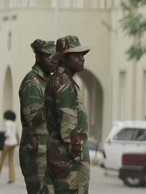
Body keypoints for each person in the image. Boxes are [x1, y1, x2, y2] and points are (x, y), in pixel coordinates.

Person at [45, 35, 91, 194]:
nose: (82, 58)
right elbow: (68, 128)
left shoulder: (59, 80)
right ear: (63, 58)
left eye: (82, 55)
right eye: (76, 55)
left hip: (61, 154)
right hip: (69, 160)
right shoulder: (64, 84)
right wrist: (77, 156)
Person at [19, 39, 58, 193]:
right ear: (38, 57)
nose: (54, 61)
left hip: (48, 149)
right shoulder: (32, 82)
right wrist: (54, 102)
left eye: (56, 57)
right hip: (35, 151)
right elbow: (33, 119)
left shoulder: (48, 80)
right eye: (49, 57)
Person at [0, 110, 18, 184]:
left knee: (1, 160)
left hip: (7, 143)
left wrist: (3, 133)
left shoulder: (7, 123)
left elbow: (8, 134)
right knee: (11, 161)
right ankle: (12, 177)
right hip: (13, 143)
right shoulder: (14, 123)